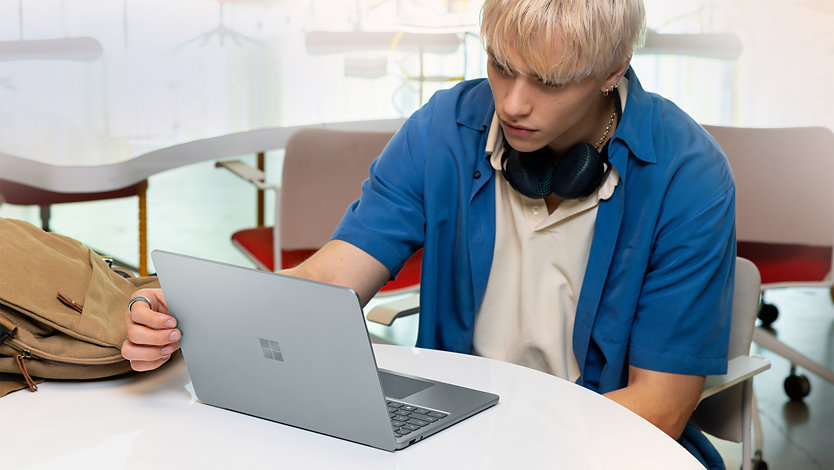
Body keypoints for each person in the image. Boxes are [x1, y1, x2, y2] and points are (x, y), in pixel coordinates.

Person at [122, 0, 735, 467]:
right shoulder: (445, 125)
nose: (514, 104)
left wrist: (510, 450)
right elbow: (331, 278)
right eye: (500, 66)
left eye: (548, 83)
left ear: (612, 71)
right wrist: (195, 314)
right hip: (456, 438)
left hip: (591, 449)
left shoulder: (687, 174)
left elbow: (661, 407)